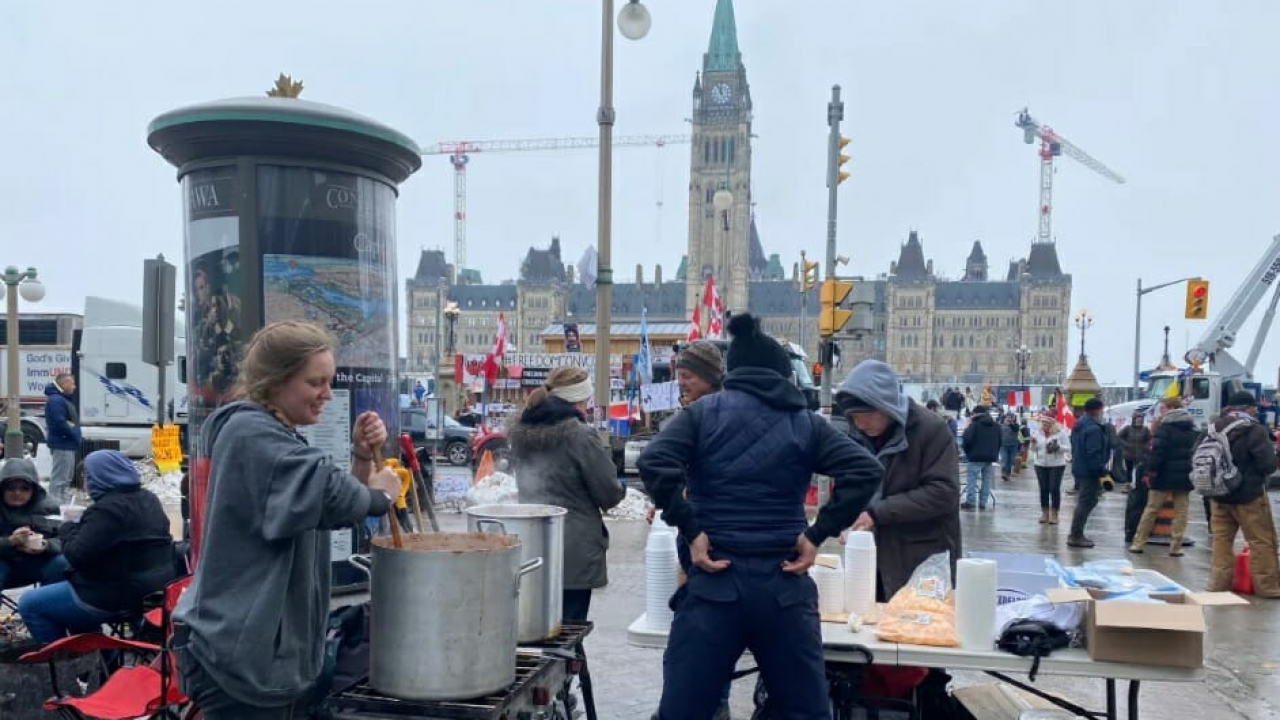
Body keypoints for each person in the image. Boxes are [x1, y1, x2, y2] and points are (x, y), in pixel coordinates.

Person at [640, 314, 883, 720]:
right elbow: (866, 471)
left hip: (714, 584)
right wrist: (817, 533)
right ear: (781, 375)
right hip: (784, 586)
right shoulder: (805, 424)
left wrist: (692, 528)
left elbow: (653, 461)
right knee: (804, 712)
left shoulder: (702, 415)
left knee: (683, 712)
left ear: (734, 372)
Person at [172, 321, 402, 719]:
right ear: (277, 380)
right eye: (316, 383)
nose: (327, 395)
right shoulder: (251, 433)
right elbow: (331, 492)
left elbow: (323, 508)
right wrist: (381, 494)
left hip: (255, 656)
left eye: (329, 382)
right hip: (238, 657)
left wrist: (362, 458)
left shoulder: (276, 434)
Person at [832, 360, 961, 716]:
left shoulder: (932, 430)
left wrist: (878, 513)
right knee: (871, 639)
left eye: (866, 416)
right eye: (854, 418)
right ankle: (876, 708)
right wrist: (840, 518)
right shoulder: (857, 434)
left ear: (886, 406)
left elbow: (944, 492)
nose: (860, 424)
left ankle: (924, 706)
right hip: (870, 559)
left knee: (922, 648)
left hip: (921, 560)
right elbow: (851, 485)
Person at [18, 450, 175, 643]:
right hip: (153, 590)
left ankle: (63, 664)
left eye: (87, 476)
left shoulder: (107, 510)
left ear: (100, 477)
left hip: (114, 595)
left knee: (30, 604)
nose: (84, 482)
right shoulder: (148, 499)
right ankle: (95, 657)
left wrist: (66, 527)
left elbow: (75, 554)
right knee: (60, 574)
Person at [511, 366, 624, 623]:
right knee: (570, 633)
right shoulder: (579, 434)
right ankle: (572, 666)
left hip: (532, 546)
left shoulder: (521, 432)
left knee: (538, 630)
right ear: (578, 400)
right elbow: (609, 493)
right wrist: (622, 488)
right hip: (573, 554)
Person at [1206, 391, 1280, 597]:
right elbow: (1267, 465)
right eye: (1253, 407)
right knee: (1261, 541)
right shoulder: (1254, 430)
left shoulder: (1214, 427)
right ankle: (1268, 588)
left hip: (1219, 495)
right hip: (1249, 496)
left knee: (1221, 541)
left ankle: (1218, 585)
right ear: (1248, 408)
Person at [1129, 398, 1197, 556]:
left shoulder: (1164, 429)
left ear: (1171, 409)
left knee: (1151, 509)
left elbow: (1157, 453)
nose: (1160, 411)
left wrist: (1149, 471)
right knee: (1181, 512)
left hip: (1163, 476)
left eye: (1163, 408)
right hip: (1184, 476)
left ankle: (1138, 543)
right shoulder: (1191, 429)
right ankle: (1176, 547)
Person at [0, 458, 68, 592]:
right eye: (11, 488)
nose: (17, 493)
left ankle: (46, 607)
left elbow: (68, 539)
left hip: (38, 563)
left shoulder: (49, 507)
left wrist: (46, 545)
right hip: (3, 562)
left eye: (24, 488)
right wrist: (10, 542)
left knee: (64, 563)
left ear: (34, 490)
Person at [1067, 398, 1112, 548]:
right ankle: (1076, 535)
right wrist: (1100, 471)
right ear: (1097, 410)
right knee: (1087, 501)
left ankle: (1076, 533)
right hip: (1089, 471)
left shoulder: (1080, 424)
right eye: (1102, 409)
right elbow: (1093, 453)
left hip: (1081, 468)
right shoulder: (1093, 428)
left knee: (1087, 501)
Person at [43, 373, 81, 504]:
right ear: (63, 384)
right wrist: (73, 431)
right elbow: (59, 422)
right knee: (60, 479)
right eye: (71, 384)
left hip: (66, 444)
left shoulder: (60, 399)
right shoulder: (56, 400)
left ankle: (62, 505)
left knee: (65, 478)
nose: (74, 387)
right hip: (63, 444)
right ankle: (54, 507)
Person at [1029, 414, 1069, 525]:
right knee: (1043, 489)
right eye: (1043, 422)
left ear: (1052, 423)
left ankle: (1055, 514)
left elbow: (1068, 448)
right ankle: (1045, 513)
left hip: (1056, 465)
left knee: (1054, 489)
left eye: (1047, 422)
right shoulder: (1037, 433)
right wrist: (1033, 444)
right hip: (1040, 464)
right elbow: (1033, 449)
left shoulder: (1061, 433)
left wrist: (1058, 447)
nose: (1044, 424)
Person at [960, 405, 1001, 510]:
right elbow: (1000, 441)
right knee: (986, 480)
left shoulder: (974, 425)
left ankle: (971, 502)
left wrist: (968, 453)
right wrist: (994, 454)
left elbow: (966, 440)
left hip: (975, 457)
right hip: (990, 457)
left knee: (972, 479)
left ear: (976, 413)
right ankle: (983, 502)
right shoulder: (996, 425)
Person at [1117, 412, 1152, 491]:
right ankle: (1128, 486)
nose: (1139, 420)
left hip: (1141, 454)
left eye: (1141, 419)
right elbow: (1119, 437)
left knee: (1139, 470)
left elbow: (1149, 439)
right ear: (1134, 419)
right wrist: (1126, 444)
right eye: (1137, 419)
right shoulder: (1128, 428)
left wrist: (1145, 446)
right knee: (1129, 470)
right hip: (1129, 454)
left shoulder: (1145, 429)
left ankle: (1138, 486)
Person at [999, 414, 1021, 481]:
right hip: (1003, 446)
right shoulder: (1001, 426)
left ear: (1014, 419)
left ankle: (1007, 474)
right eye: (1008, 418)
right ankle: (1003, 473)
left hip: (1013, 446)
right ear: (1004, 418)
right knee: (1004, 459)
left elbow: (1015, 429)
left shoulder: (1016, 425)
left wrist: (1010, 423)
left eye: (1011, 418)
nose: (1009, 419)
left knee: (1010, 461)